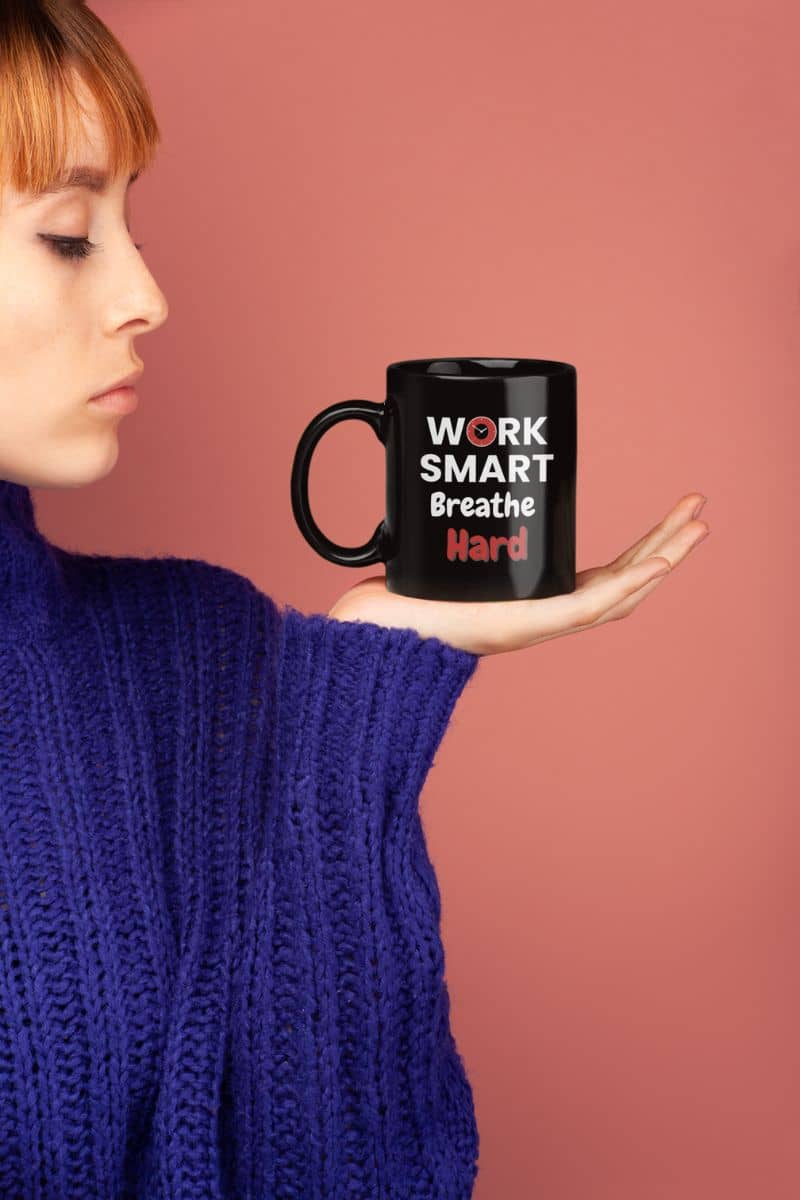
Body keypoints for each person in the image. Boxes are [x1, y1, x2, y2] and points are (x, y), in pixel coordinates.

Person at [0, 2, 710, 1197]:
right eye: (71, 236)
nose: (147, 295)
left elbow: (342, 1166)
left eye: (131, 223)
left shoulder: (203, 660)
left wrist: (362, 691)